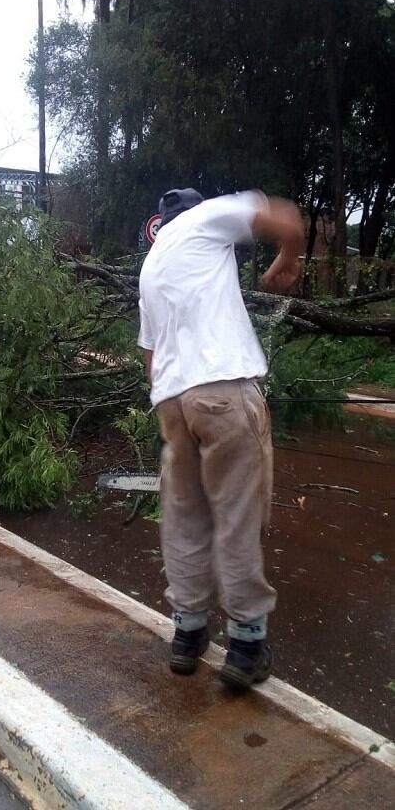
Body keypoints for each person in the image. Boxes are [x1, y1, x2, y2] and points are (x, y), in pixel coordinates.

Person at [138, 188, 303, 688]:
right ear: (194, 209)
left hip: (171, 401)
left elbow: (148, 355)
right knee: (235, 516)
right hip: (222, 389)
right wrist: (287, 261)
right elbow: (287, 220)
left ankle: (188, 635)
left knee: (186, 518)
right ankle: (247, 645)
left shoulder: (150, 267)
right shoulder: (208, 217)